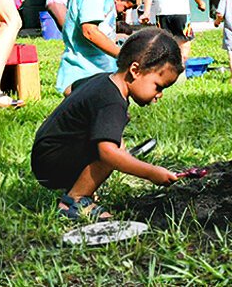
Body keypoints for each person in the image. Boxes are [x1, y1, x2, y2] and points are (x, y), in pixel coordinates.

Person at [30, 28, 184, 221]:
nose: (159, 95)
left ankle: (79, 186)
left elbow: (70, 90)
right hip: (52, 164)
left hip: (46, 153)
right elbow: (108, 154)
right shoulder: (112, 101)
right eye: (158, 86)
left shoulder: (102, 80)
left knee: (112, 142)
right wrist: (152, 172)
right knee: (112, 151)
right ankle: (75, 199)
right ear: (135, 70)